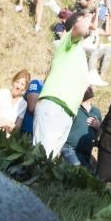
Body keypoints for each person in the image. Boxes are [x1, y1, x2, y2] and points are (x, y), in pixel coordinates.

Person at [33, 10, 94, 158]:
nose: (88, 25)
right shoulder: (67, 41)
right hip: (54, 104)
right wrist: (91, 14)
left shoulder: (79, 53)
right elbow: (79, 28)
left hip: (67, 111)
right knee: (41, 157)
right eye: (82, 21)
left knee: (50, 161)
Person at [61, 86, 101, 167]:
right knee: (77, 166)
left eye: (90, 86)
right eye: (86, 85)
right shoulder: (73, 108)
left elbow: (101, 135)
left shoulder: (97, 112)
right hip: (70, 149)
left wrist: (98, 126)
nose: (89, 87)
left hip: (86, 155)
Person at [0, 69, 30, 136]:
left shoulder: (23, 104)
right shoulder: (2, 93)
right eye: (17, 82)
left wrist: (5, 122)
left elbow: (17, 129)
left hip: (8, 139)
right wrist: (11, 125)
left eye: (22, 84)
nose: (18, 86)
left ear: (24, 88)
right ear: (13, 82)